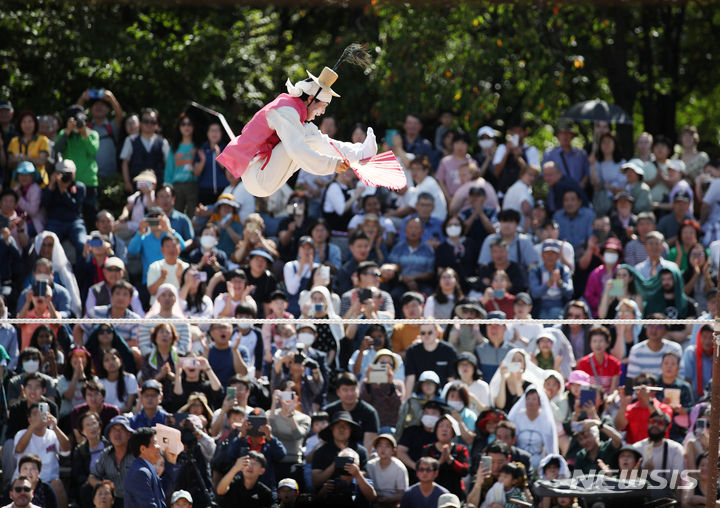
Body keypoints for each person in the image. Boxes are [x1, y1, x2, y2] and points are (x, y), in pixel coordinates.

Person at [217, 64, 376, 197]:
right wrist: (331, 165)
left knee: (311, 135)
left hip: (261, 175)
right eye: (323, 107)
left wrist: (335, 162)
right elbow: (298, 150)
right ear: (310, 99)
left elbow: (312, 145)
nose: (322, 113)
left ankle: (358, 152)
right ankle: (358, 153)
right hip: (257, 176)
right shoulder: (287, 111)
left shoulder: (291, 110)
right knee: (306, 135)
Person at [14, 403, 71, 508]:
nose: (39, 416)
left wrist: (55, 427)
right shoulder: (21, 433)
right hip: (24, 481)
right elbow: (19, 448)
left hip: (49, 482)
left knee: (58, 484)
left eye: (42, 413)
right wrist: (33, 426)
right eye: (35, 414)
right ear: (29, 419)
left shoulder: (53, 434)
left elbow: (66, 450)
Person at [125, 427, 177, 508]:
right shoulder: (140, 472)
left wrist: (171, 462)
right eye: (155, 443)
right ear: (143, 449)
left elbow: (166, 488)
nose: (159, 447)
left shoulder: (148, 469)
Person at [404, 323, 458, 399]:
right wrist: (406, 401)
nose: (426, 336)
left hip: (443, 396)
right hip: (419, 397)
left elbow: (451, 379)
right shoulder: (412, 351)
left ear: (437, 333)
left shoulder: (449, 351)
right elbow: (410, 378)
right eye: (423, 333)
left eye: (430, 332)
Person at [120, 108, 169, 190]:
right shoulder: (130, 140)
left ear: (157, 125)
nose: (149, 124)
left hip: (158, 188)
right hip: (135, 186)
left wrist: (167, 183)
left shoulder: (163, 142)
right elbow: (125, 163)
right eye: (146, 121)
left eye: (152, 122)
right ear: (140, 123)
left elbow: (169, 164)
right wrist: (127, 182)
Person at [529, 240, 573, 319]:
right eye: (547, 253)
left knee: (556, 313)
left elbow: (570, 293)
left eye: (553, 253)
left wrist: (560, 283)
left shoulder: (564, 270)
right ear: (542, 255)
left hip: (560, 308)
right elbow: (535, 293)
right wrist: (548, 284)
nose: (550, 256)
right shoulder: (535, 271)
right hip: (540, 309)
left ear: (558, 256)